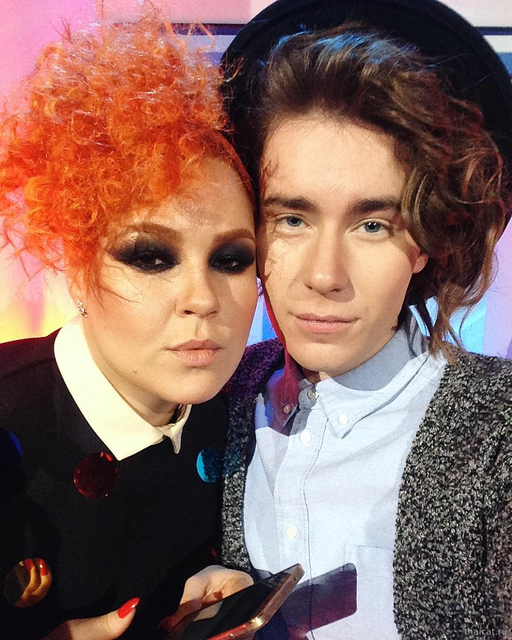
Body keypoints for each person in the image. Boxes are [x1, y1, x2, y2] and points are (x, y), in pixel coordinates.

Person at [163, 1, 512, 638]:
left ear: (427, 241)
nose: (324, 275)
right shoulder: (222, 391)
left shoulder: (499, 432)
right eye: (292, 219)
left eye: (372, 225)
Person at [0, 12, 256, 640]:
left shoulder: (242, 414)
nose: (203, 299)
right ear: (77, 264)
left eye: (230, 259)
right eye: (150, 256)